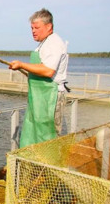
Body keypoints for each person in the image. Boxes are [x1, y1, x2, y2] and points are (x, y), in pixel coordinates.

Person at [9, 8, 69, 148]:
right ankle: (36, 167)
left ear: (49, 26)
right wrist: (23, 68)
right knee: (35, 135)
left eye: (37, 27)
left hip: (50, 98)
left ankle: (49, 168)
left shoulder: (54, 42)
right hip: (38, 98)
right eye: (31, 28)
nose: (33, 31)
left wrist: (22, 64)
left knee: (48, 138)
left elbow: (48, 71)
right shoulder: (44, 43)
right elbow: (41, 68)